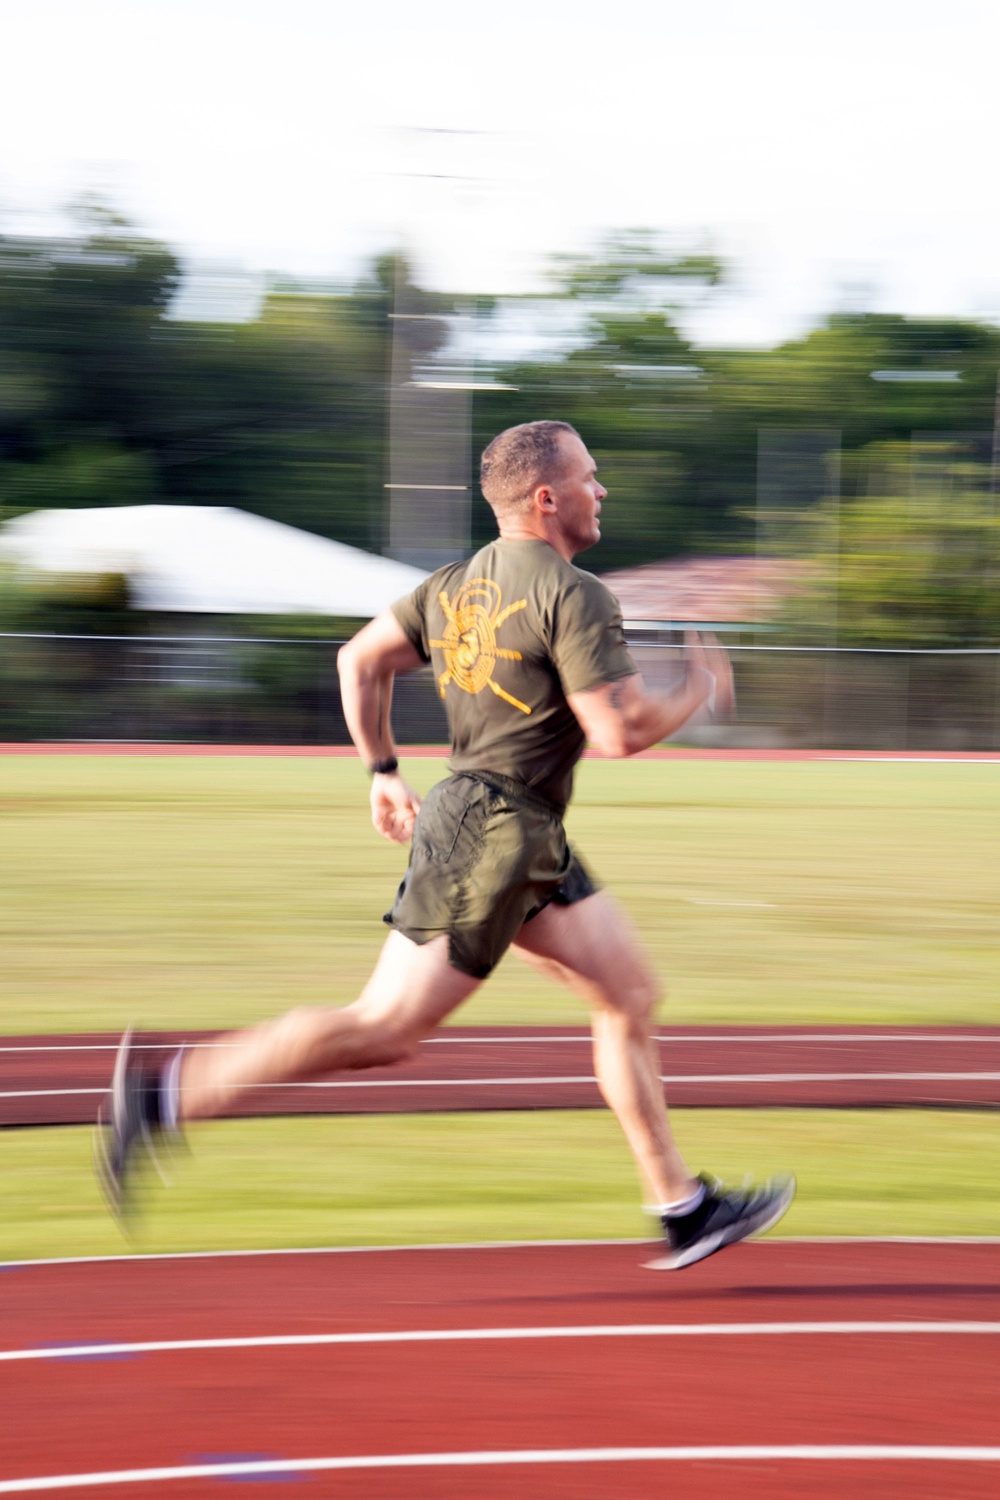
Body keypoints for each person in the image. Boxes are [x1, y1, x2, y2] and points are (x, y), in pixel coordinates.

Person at [96, 420, 794, 1269]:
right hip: (491, 838)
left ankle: (681, 1208)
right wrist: (697, 687)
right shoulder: (575, 594)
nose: (600, 491)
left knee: (628, 994)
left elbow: (361, 660)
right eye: (590, 477)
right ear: (547, 497)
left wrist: (381, 770)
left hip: (520, 831)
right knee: (384, 1029)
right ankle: (161, 1097)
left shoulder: (456, 584)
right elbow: (615, 732)